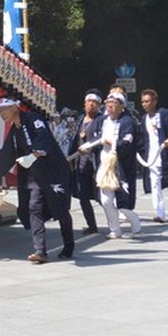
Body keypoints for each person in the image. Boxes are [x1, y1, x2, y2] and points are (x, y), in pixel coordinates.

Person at [0, 96, 75, 262]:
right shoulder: (15, 130)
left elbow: (43, 138)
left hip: (53, 171)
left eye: (3, 109)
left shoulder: (34, 119)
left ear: (14, 108)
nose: (0, 114)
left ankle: (69, 245)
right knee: (34, 207)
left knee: (60, 209)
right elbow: (8, 152)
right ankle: (40, 251)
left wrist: (33, 155)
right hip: (35, 175)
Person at [96, 91, 142, 239]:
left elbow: (127, 143)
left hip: (120, 165)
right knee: (105, 200)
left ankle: (133, 219)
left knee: (122, 200)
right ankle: (115, 229)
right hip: (105, 165)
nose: (110, 105)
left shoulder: (128, 122)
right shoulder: (102, 120)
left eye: (114, 103)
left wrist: (111, 142)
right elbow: (95, 137)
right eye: (108, 102)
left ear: (122, 106)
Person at [139, 89, 168, 223]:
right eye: (143, 102)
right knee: (154, 184)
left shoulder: (164, 113)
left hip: (166, 155)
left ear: (155, 101)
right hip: (152, 157)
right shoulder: (144, 118)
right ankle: (160, 213)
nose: (144, 104)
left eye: (147, 101)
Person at [67, 90, 102, 235]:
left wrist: (90, 145)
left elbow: (102, 137)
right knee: (83, 197)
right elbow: (75, 140)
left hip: (96, 164)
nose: (91, 104)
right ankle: (92, 225)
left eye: (95, 102)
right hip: (81, 164)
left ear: (99, 105)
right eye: (89, 101)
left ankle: (116, 222)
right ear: (85, 103)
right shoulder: (81, 120)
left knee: (102, 198)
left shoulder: (101, 120)